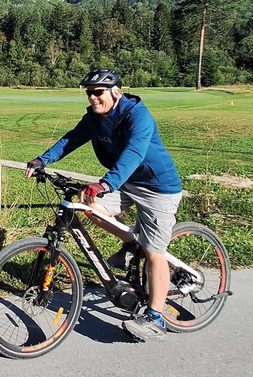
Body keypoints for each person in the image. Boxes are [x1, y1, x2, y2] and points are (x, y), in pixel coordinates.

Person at [24, 68, 182, 342]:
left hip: (158, 188)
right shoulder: (95, 118)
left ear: (115, 92)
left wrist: (105, 183)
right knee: (90, 205)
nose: (93, 98)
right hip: (127, 183)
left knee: (155, 251)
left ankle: (155, 318)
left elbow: (134, 153)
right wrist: (42, 160)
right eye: (89, 93)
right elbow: (71, 139)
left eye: (98, 93)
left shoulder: (138, 116)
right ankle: (132, 244)